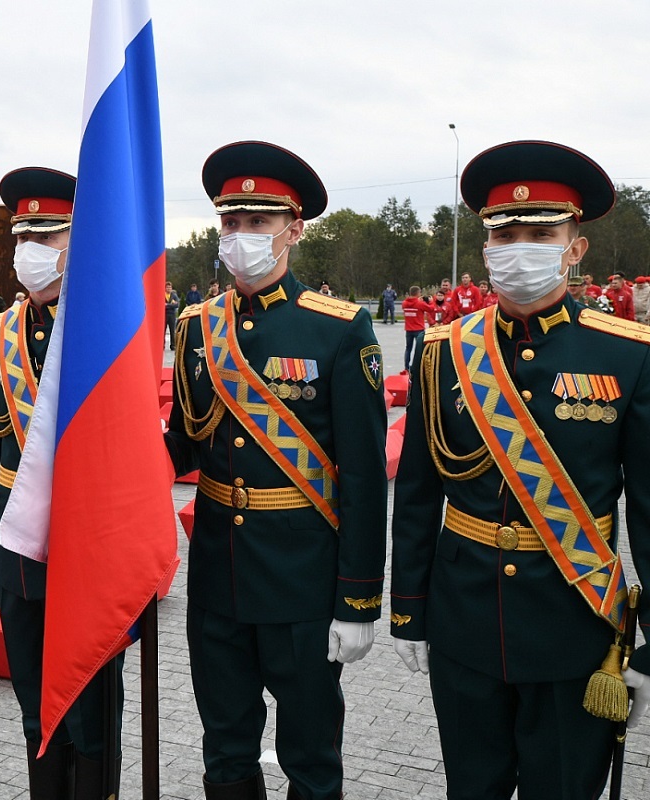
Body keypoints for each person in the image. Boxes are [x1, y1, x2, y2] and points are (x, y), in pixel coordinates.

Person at [391, 140, 650, 800]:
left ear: (575, 247)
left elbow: (649, 513)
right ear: (484, 248)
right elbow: (417, 496)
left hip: (574, 626)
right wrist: (408, 612)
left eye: (542, 233)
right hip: (464, 622)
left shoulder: (628, 355)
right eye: (505, 234)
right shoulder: (446, 354)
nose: (520, 247)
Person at [164, 142, 386, 800]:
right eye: (230, 222)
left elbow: (367, 479)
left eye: (257, 222)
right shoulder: (197, 327)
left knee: (311, 758)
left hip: (304, 584)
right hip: (216, 575)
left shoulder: (340, 330)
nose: (240, 236)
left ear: (293, 229)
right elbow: (183, 446)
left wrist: (358, 602)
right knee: (225, 749)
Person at [0, 166, 122, 799]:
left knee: (90, 714)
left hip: (87, 553)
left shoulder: (106, 330)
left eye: (47, 233)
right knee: (36, 708)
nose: (30, 247)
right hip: (17, 551)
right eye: (22, 233)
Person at [401, 285, 431, 372]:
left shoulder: (404, 303)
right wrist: (430, 302)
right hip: (419, 329)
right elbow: (430, 309)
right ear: (418, 293)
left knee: (408, 349)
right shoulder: (419, 303)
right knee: (420, 348)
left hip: (408, 329)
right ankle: (418, 366)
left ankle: (406, 367)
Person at [165, 280, 180, 348]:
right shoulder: (162, 294)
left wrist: (167, 305)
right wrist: (171, 305)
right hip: (164, 315)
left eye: (170, 287)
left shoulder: (174, 295)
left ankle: (173, 345)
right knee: (163, 330)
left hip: (172, 314)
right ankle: (162, 344)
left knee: (172, 330)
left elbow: (177, 305)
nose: (169, 289)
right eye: (167, 287)